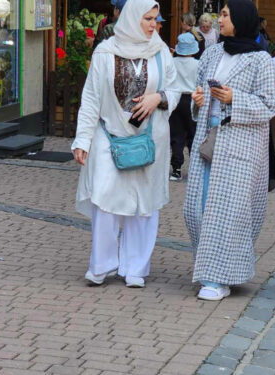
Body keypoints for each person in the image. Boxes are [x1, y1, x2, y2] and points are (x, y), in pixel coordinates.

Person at [71, 0, 180, 288]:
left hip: (150, 139)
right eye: (147, 18)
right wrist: (82, 139)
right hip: (109, 136)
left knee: (144, 205)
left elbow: (175, 87)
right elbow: (92, 97)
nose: (152, 25)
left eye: (155, 19)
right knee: (105, 198)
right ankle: (102, 264)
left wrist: (159, 98)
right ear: (132, 18)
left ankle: (135, 267)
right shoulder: (105, 52)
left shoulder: (160, 52)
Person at [184, 0, 275, 301]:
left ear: (240, 19)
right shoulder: (210, 54)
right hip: (208, 141)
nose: (218, 19)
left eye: (224, 14)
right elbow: (197, 95)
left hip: (240, 147)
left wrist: (234, 97)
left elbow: (267, 106)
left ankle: (217, 278)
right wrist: (197, 102)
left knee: (227, 215)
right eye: (219, 13)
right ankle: (210, 268)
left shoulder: (261, 60)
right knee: (195, 212)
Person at [169, 33, 200, 180]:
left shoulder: (172, 62)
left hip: (176, 99)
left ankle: (176, 168)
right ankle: (195, 169)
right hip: (192, 99)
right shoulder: (197, 64)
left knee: (177, 135)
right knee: (193, 134)